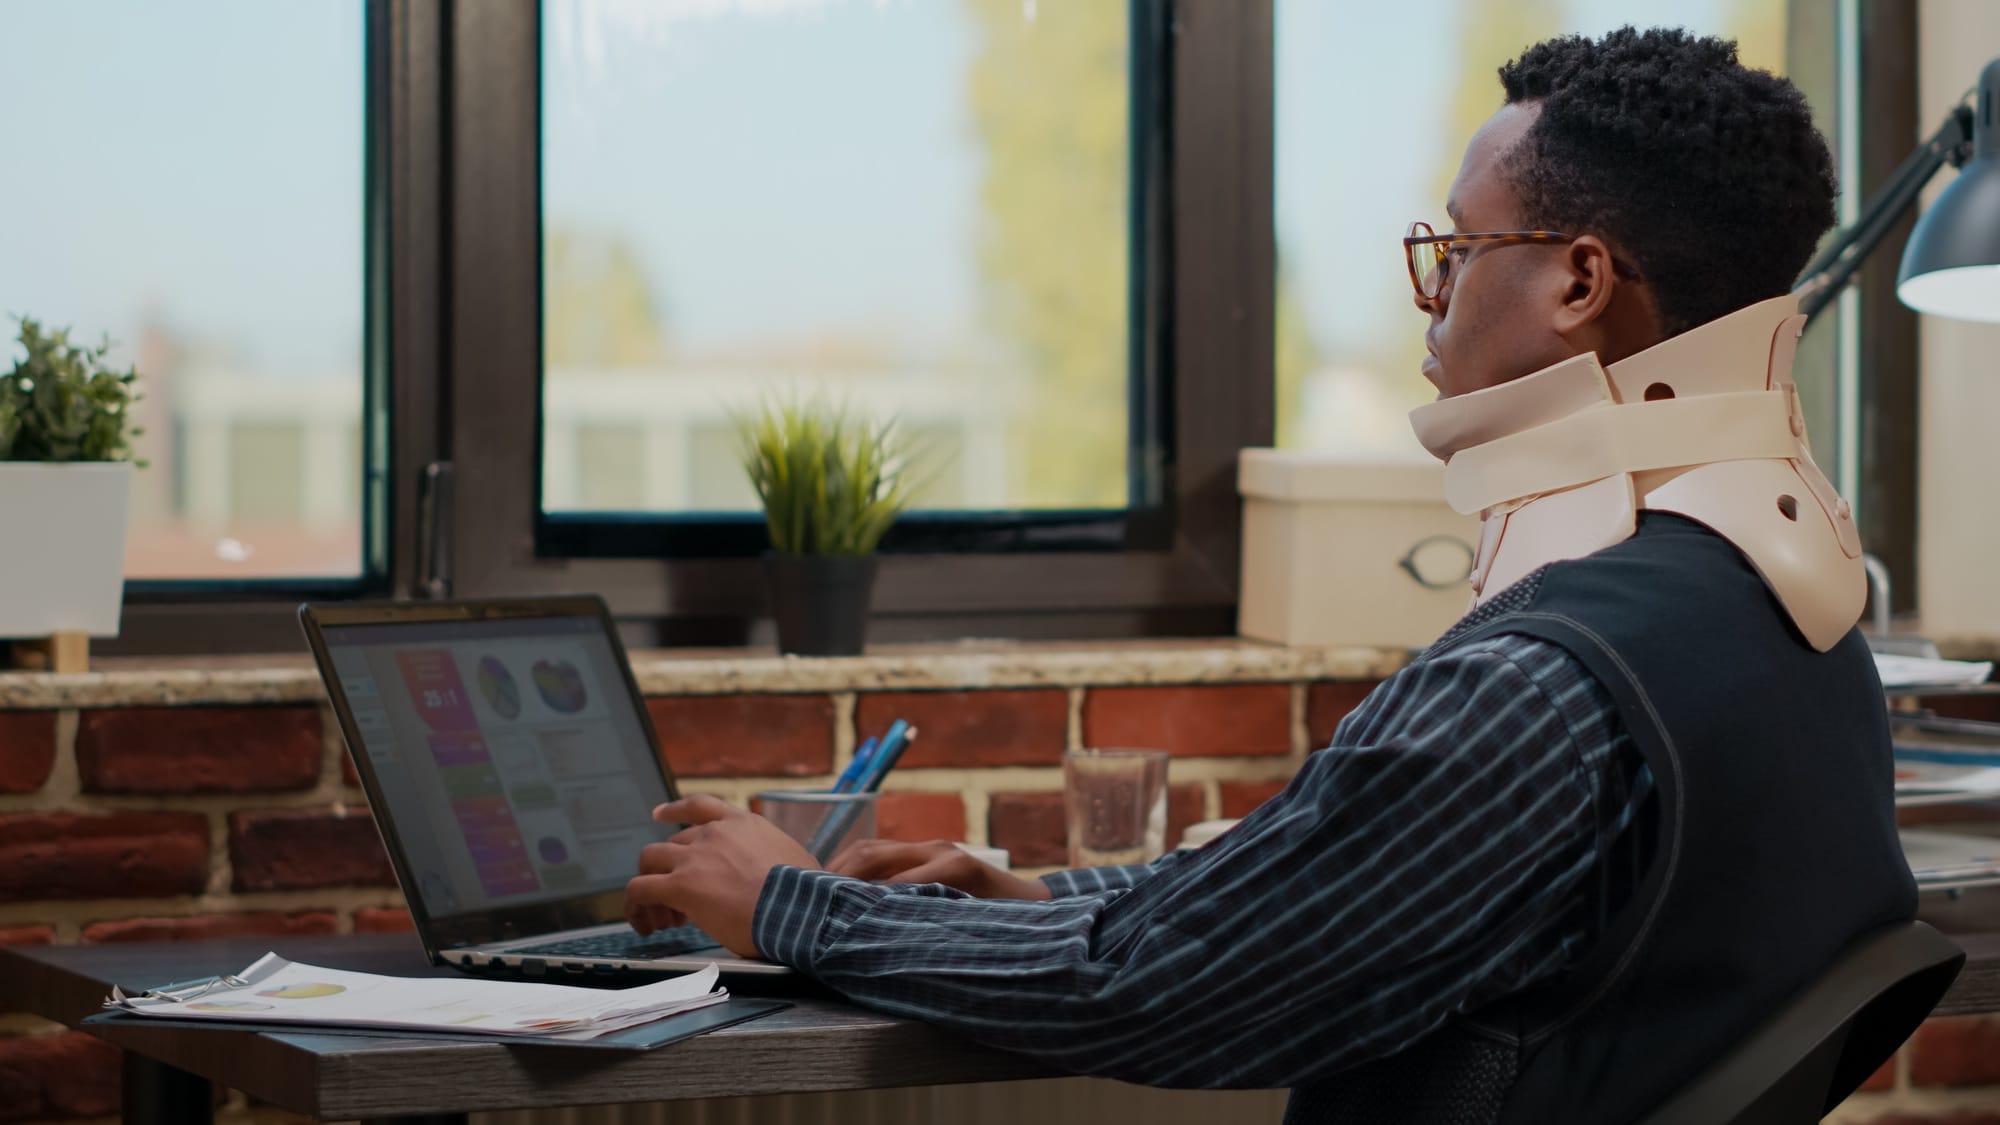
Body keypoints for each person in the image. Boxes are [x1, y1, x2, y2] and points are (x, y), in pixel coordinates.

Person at [625, 27, 1916, 1124]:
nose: (1433, 299)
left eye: (1456, 251)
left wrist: (788, 907)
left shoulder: (1535, 684)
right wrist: (1039, 893)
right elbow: (1306, 900)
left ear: (1579, 279)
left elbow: (1174, 993)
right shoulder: (1788, 607)